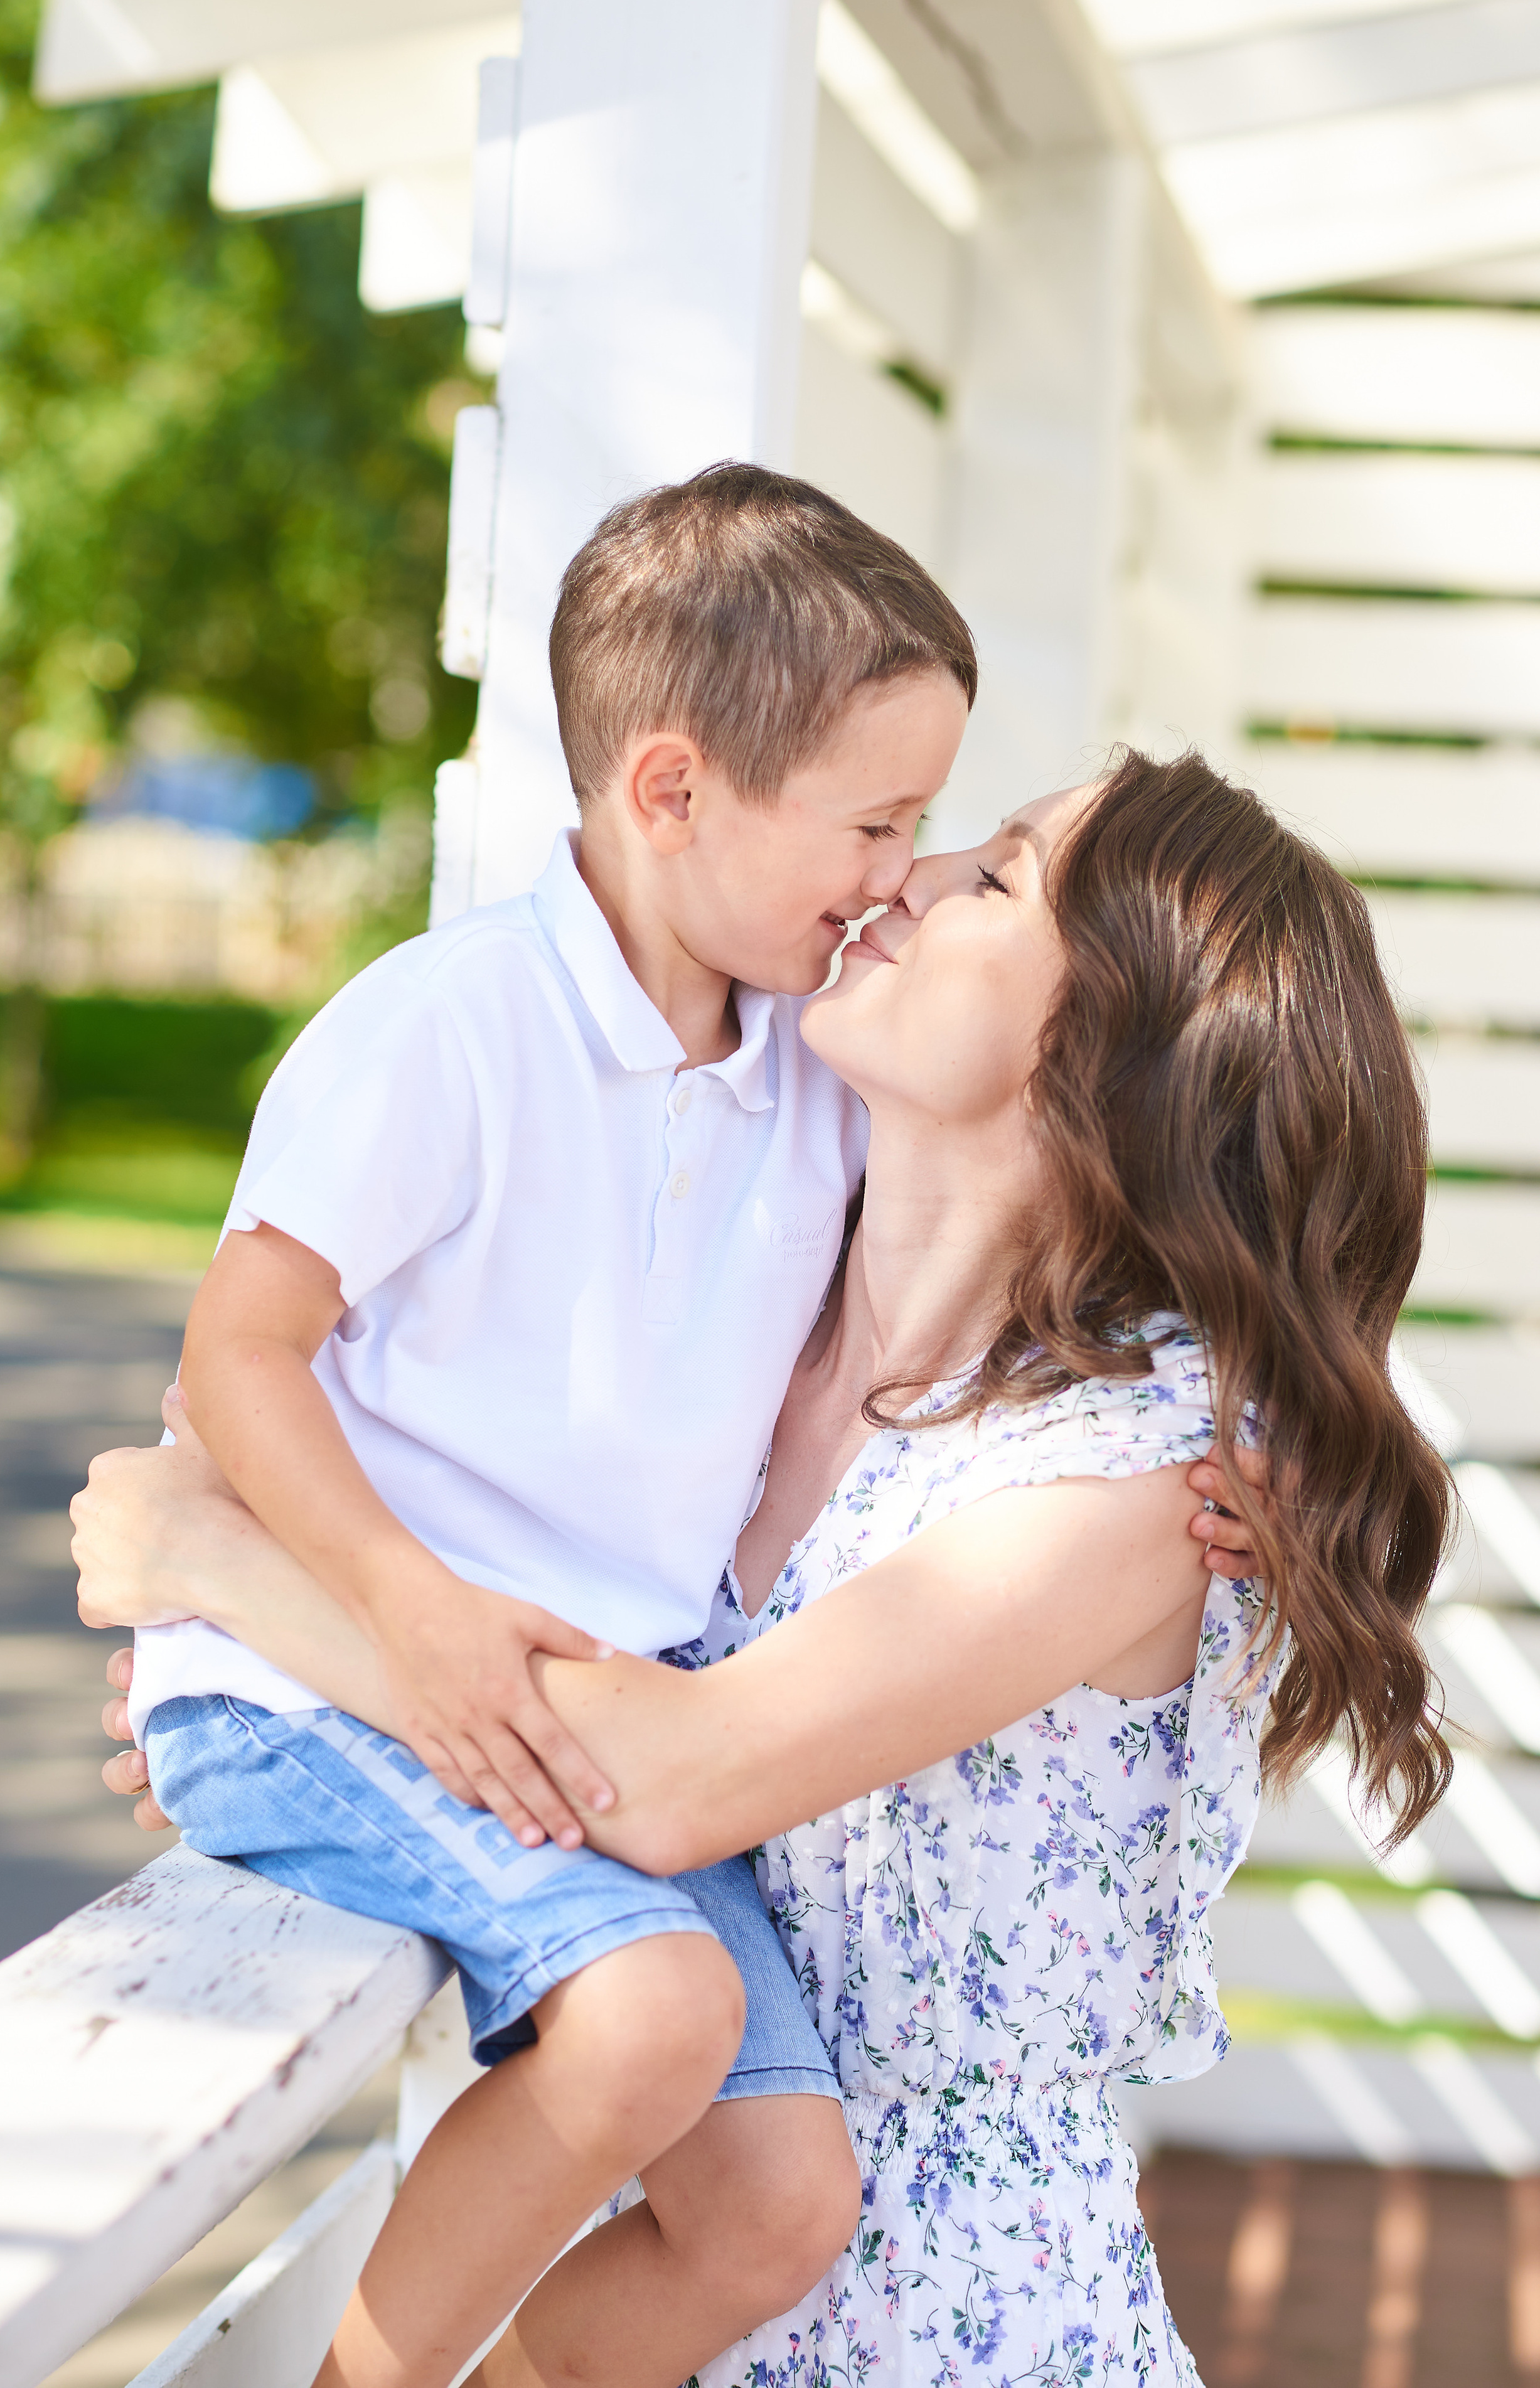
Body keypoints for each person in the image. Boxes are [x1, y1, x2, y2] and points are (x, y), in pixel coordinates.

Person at [80, 747, 1446, 2388]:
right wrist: (283, 1737)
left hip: (957, 2339)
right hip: (670, 2300)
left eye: (999, 876)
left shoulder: (1135, 1475)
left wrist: (247, 1585)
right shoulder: (738, 1344)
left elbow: (657, 1778)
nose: (909, 878)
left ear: (1116, 1059)